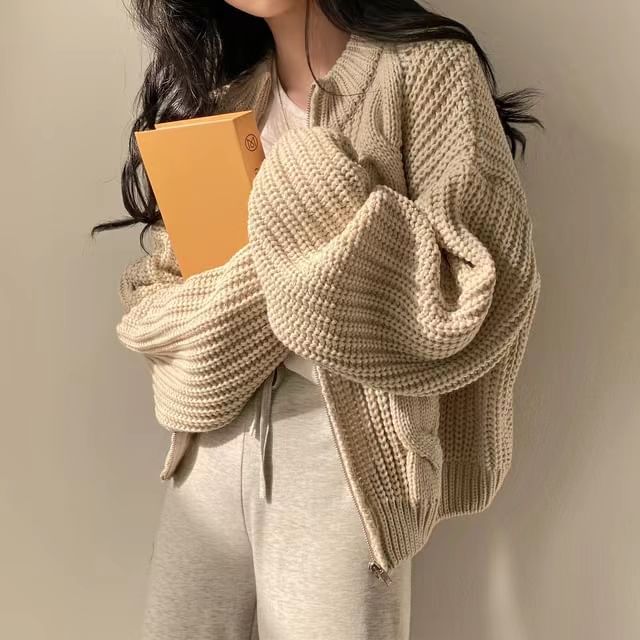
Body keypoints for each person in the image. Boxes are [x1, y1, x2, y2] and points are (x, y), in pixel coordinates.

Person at [92, 1, 543, 638]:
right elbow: (158, 303)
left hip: (344, 456)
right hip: (209, 447)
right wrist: (290, 273)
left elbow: (477, 285)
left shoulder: (429, 67)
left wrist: (304, 203)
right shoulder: (226, 97)